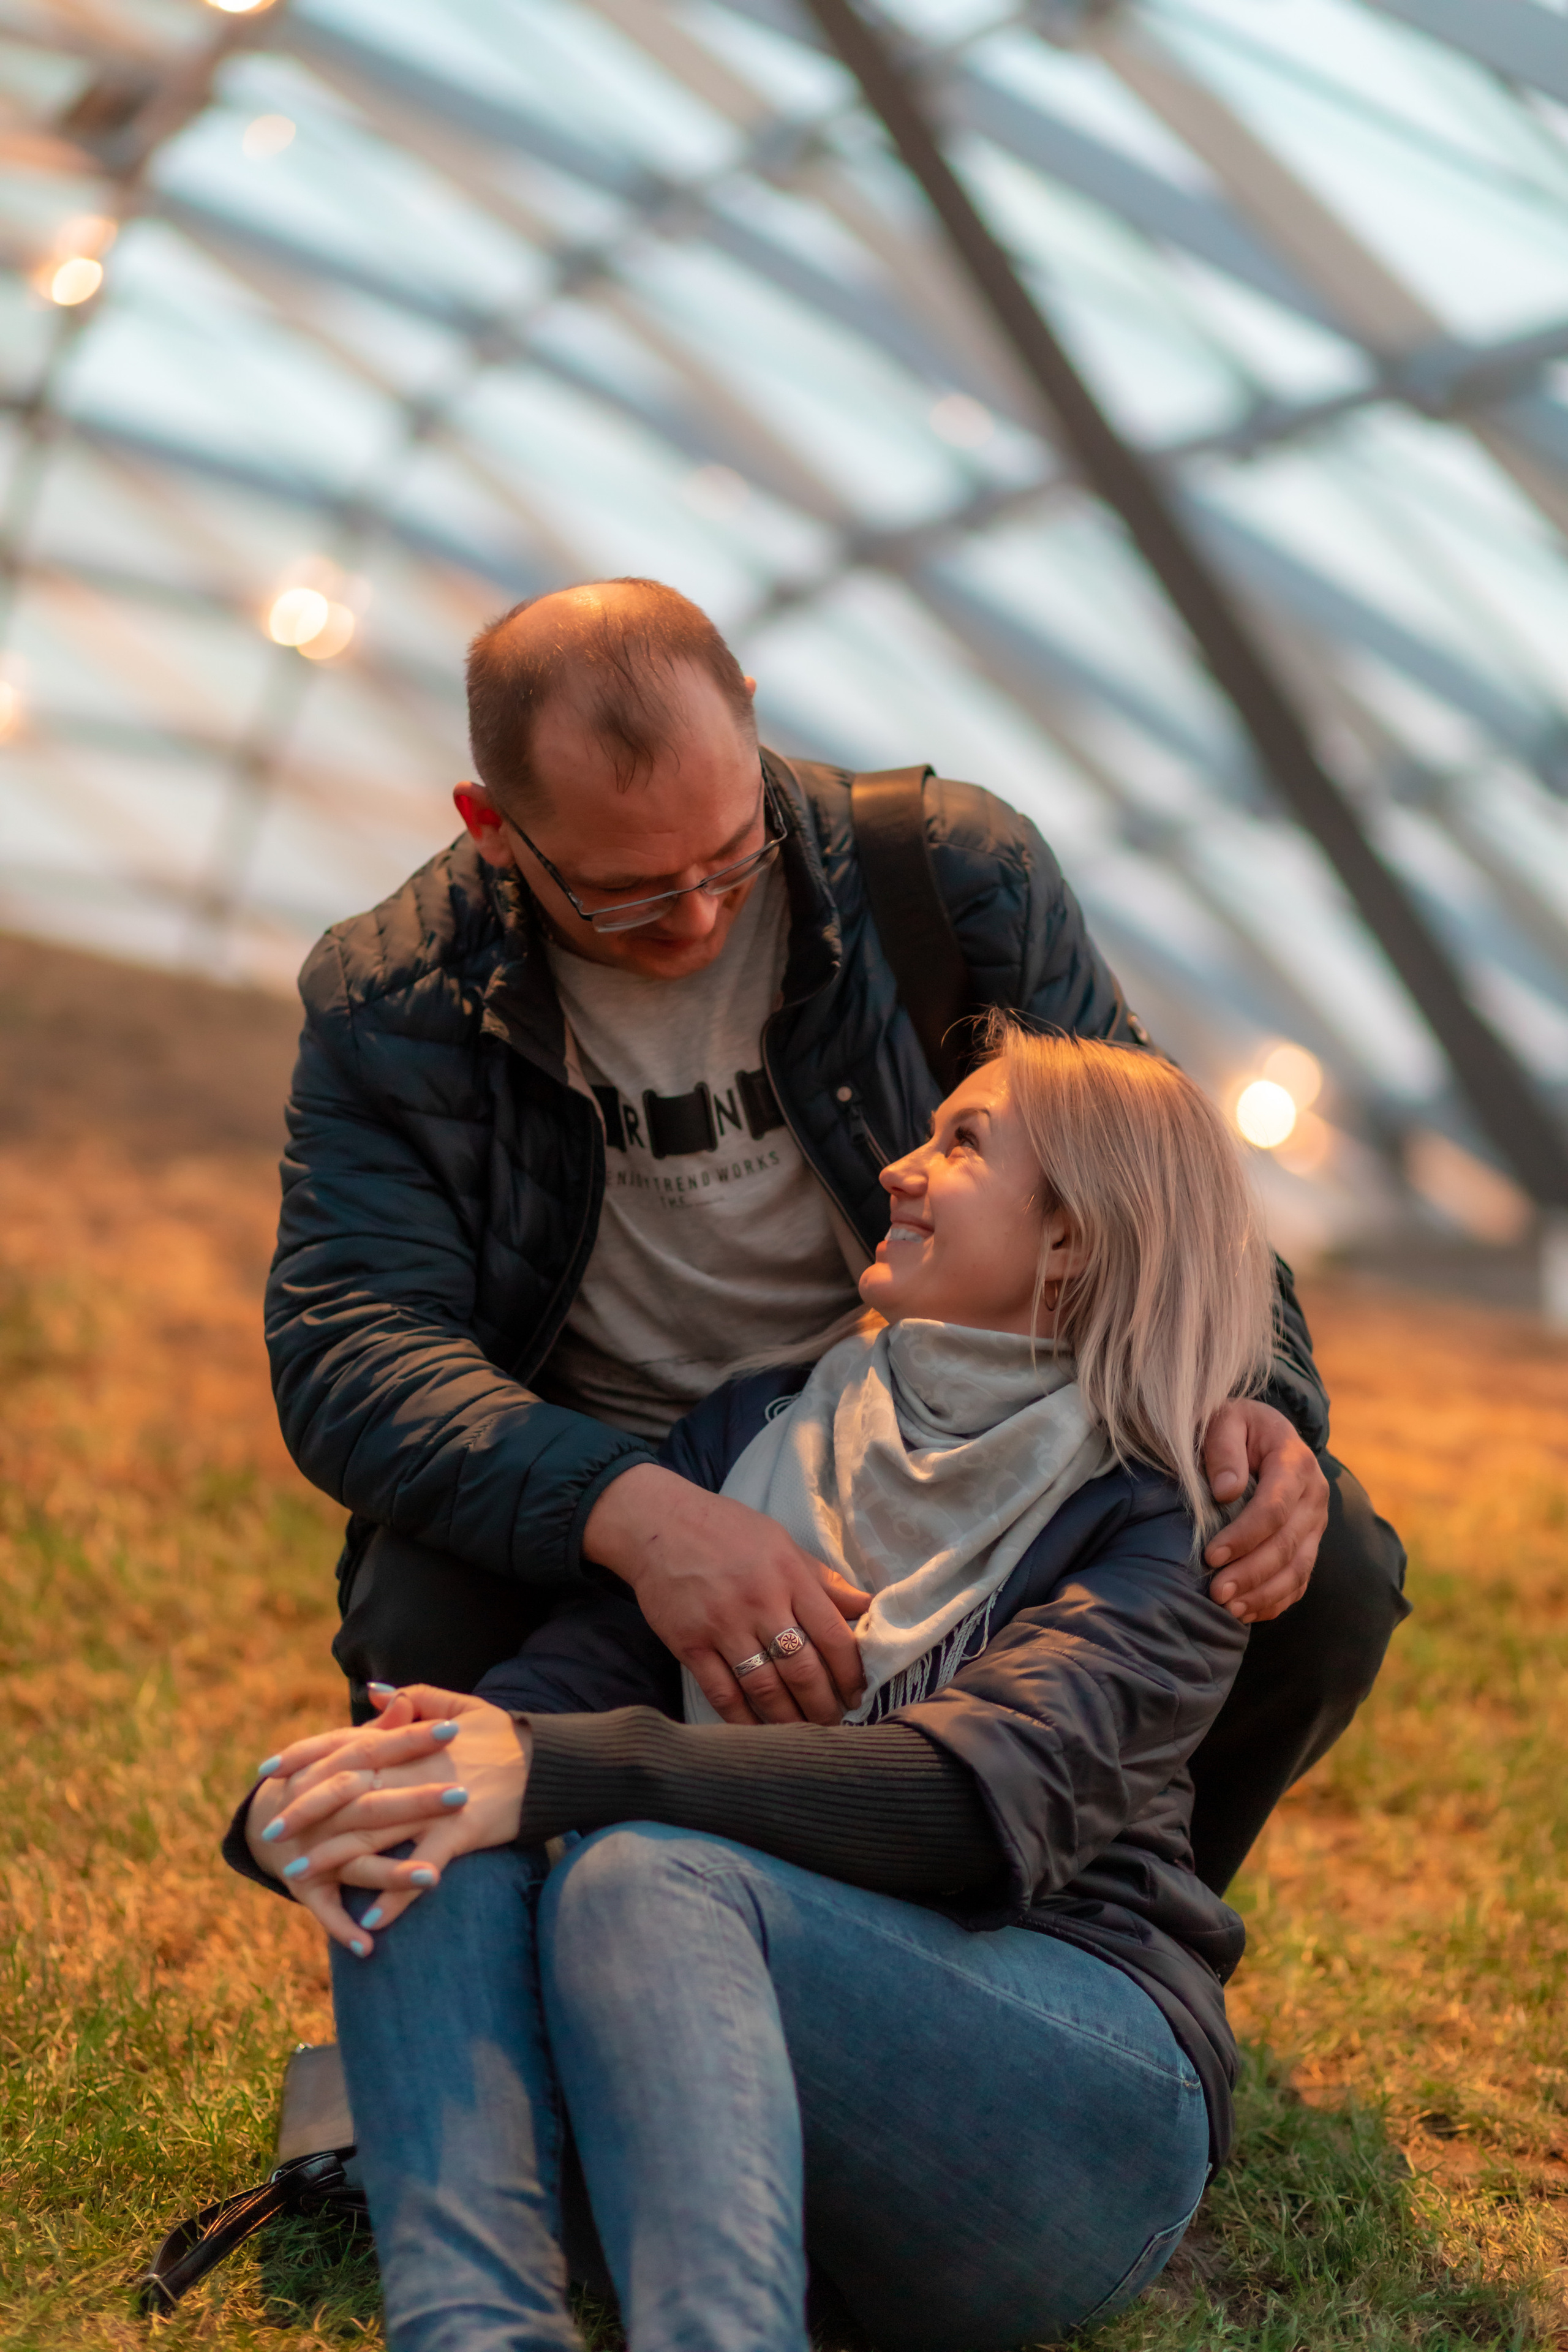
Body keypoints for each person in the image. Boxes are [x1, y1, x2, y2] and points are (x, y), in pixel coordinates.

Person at [265, 574, 1404, 1893]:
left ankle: (1098, 1935)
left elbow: (1152, 1168)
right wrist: (641, 1516)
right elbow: (352, 1345)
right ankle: (512, 1952)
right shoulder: (396, 994)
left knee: (1310, 1577)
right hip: (614, 1459)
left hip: (954, 1424)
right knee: (426, 1617)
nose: (695, 922)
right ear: (492, 826)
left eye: (730, 858)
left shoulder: (941, 874)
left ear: (749, 719)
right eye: (624, 897)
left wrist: (1256, 1402)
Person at [235, 1028, 1278, 2351]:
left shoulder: (1175, 1513)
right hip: (716, 2062)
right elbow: (536, 1710)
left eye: (962, 1144)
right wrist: (338, 1792)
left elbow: (968, 1808)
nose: (900, 1168)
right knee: (439, 1800)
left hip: (1063, 2108)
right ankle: (471, 2327)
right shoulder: (758, 1430)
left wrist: (565, 1770)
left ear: (1070, 1238)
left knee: (636, 1866)